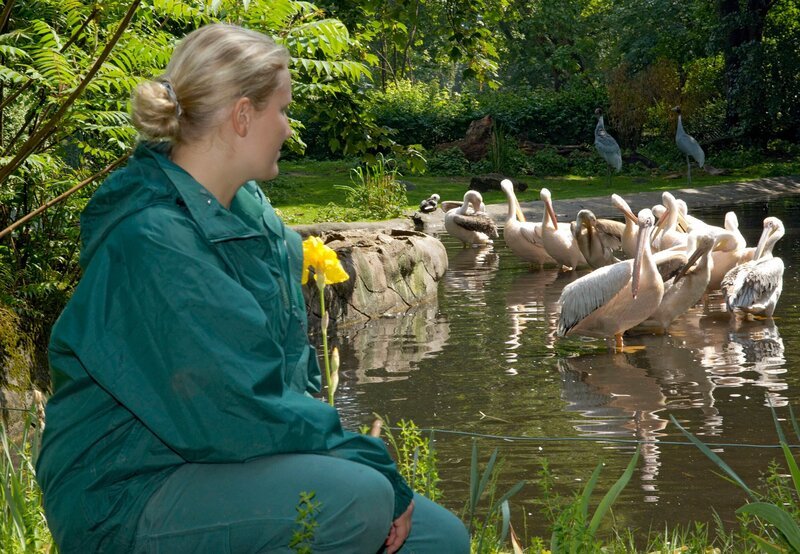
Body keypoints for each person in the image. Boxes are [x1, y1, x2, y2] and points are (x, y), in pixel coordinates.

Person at [35, 23, 469, 553]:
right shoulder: (152, 241)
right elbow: (235, 407)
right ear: (243, 115)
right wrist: (361, 458)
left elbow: (283, 375)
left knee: (439, 539)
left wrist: (345, 455)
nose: (288, 127)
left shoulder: (255, 221)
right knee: (357, 500)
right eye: (281, 111)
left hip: (226, 454)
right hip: (129, 492)